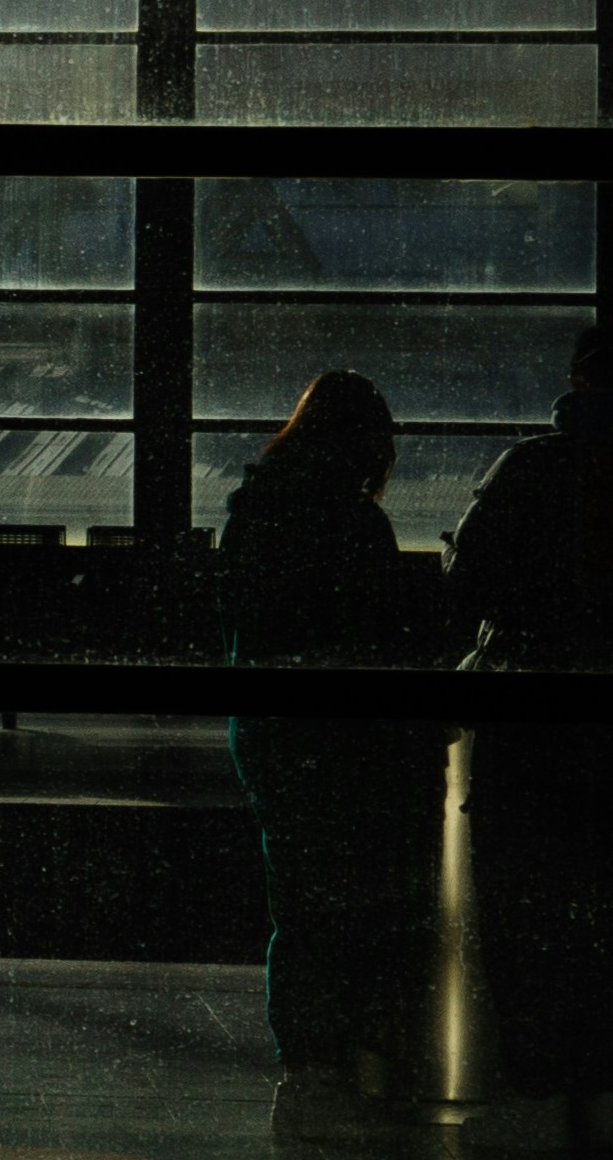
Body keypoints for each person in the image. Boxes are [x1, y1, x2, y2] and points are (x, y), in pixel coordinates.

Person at [221, 367, 448, 1089]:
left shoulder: (256, 507)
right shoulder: (354, 520)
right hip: (341, 734)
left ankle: (305, 1046)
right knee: (350, 887)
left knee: (297, 888)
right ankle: (346, 1031)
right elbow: (380, 630)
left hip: (271, 728)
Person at [438, 324, 607, 1099]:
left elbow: (468, 578)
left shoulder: (528, 470)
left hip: (528, 711)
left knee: (524, 893)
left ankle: (535, 1057)